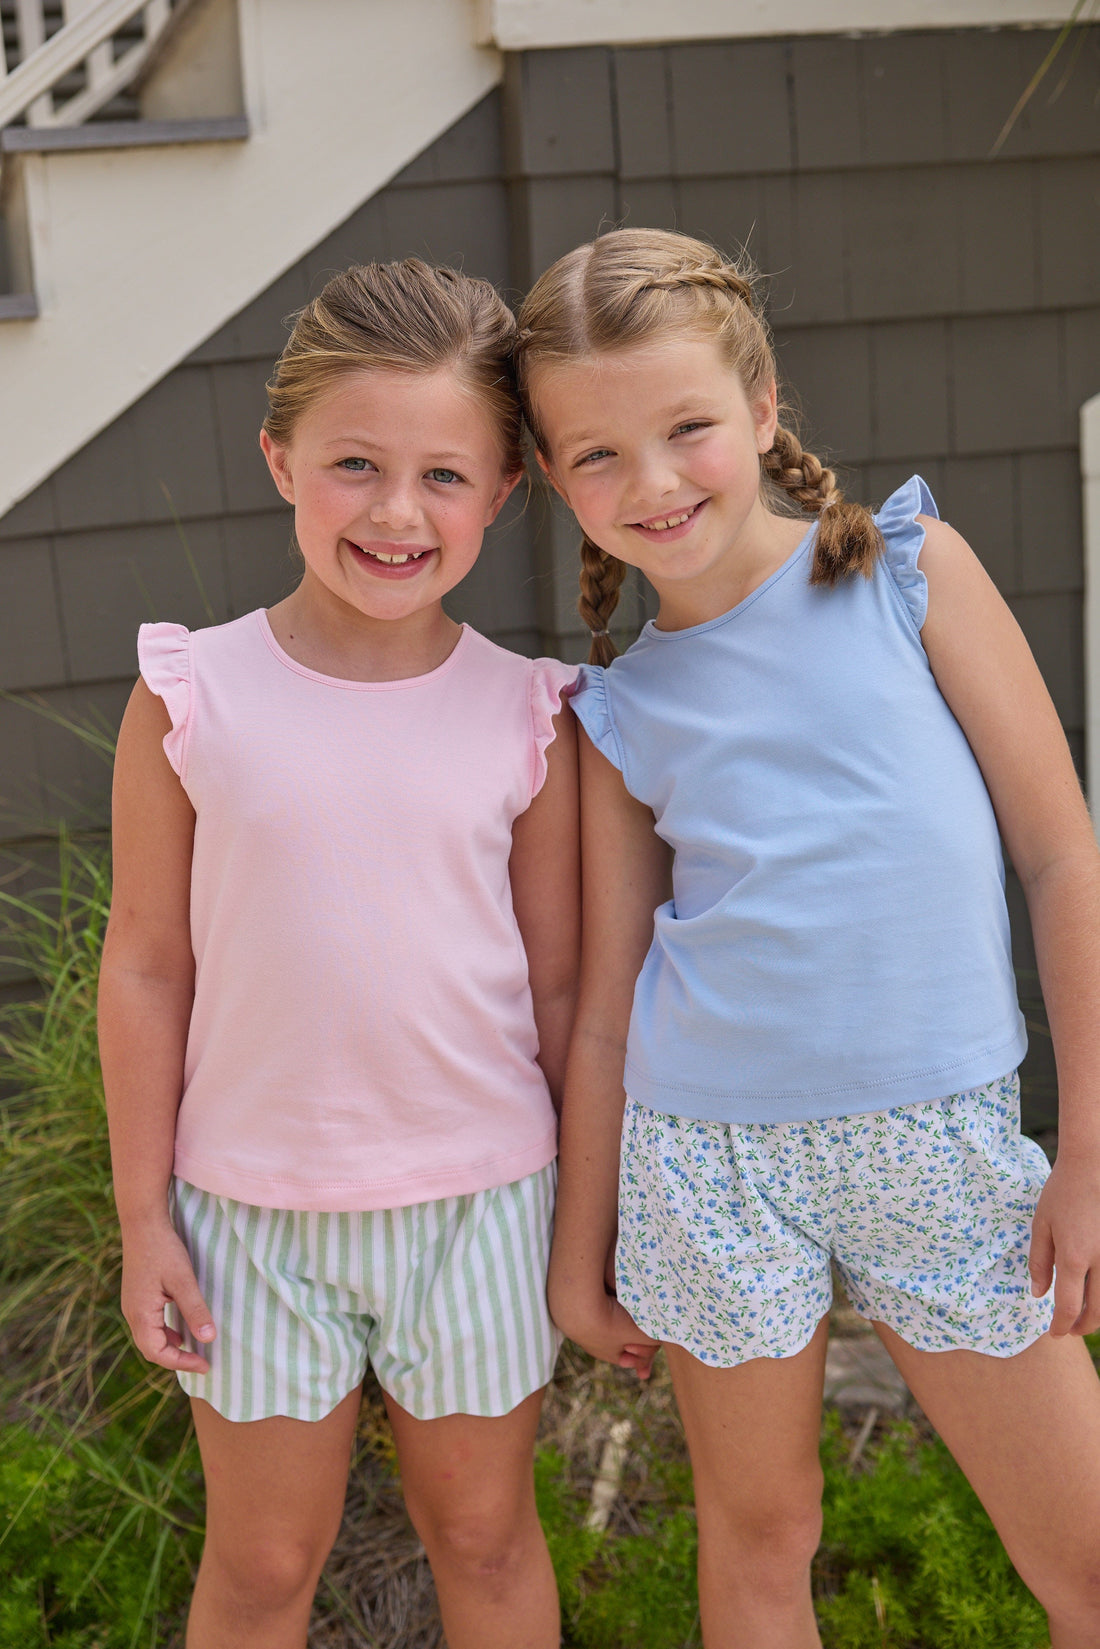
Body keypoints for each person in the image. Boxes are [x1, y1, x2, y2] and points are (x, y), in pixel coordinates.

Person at [514, 226, 1100, 1648]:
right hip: (707, 1160)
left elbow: (1060, 850)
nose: (650, 483)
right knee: (763, 1536)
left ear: (764, 408)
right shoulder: (619, 711)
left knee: (1084, 1547)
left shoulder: (909, 577)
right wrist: (575, 1250)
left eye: (687, 428)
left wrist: (1088, 1146)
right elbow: (604, 1002)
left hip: (941, 1144)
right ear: (547, 478)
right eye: (596, 456)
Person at [97, 258, 579, 1649]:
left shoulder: (529, 718)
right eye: (354, 463)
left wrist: (586, 1221)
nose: (392, 511)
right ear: (280, 459)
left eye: (444, 475)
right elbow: (145, 965)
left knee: (486, 1536)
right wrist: (144, 1222)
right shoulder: (190, 695)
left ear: (503, 492)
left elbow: (560, 991)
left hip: (481, 1205)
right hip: (248, 1214)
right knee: (259, 1561)